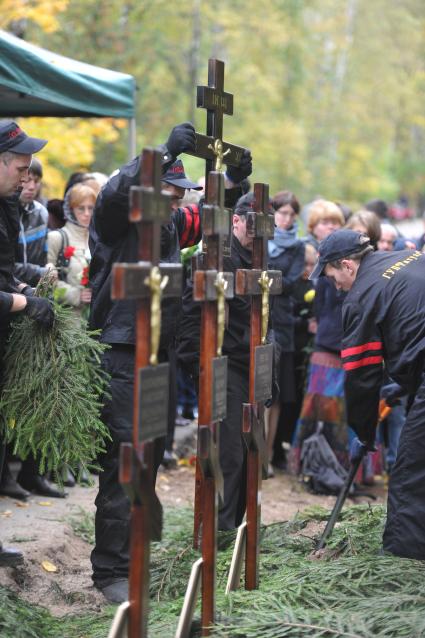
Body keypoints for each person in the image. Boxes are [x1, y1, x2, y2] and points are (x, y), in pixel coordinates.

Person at [89, 121, 252, 602]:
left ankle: (135, 555)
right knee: (127, 461)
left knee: (151, 459)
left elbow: (212, 217)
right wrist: (161, 152)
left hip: (155, 354)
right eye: (171, 189)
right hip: (122, 353)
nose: (180, 200)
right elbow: (112, 195)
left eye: (181, 192)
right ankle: (111, 571)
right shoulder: (122, 220)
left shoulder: (170, 223)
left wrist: (237, 182)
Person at [309, 229, 425, 559]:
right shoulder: (407, 256)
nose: (335, 286)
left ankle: (403, 560)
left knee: (409, 473)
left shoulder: (362, 296)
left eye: (332, 277)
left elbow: (361, 375)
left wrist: (363, 430)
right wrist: (398, 388)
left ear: (347, 265)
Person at [177, 191, 255, 531]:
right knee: (229, 454)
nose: (258, 237)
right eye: (252, 227)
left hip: (253, 364)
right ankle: (218, 531)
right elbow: (193, 314)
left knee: (251, 450)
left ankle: (237, 527)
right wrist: (199, 364)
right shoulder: (216, 257)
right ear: (235, 220)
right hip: (222, 364)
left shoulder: (261, 259)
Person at [0, 119, 54, 565]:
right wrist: (20, 304)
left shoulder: (7, 206)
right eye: (21, 166)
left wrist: (27, 290)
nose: (28, 174)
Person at [265, 191, 305, 476]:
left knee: (277, 393)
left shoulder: (298, 247)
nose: (286, 219)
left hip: (283, 322)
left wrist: (268, 279)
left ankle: (268, 454)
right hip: (259, 317)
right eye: (282, 212)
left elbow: (290, 283)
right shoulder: (262, 238)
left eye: (291, 214)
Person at [48, 182, 96, 312]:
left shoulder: (98, 240)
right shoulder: (57, 237)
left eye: (90, 208)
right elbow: (46, 284)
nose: (86, 213)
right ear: (70, 209)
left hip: (94, 323)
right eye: (81, 208)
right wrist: (76, 295)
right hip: (66, 322)